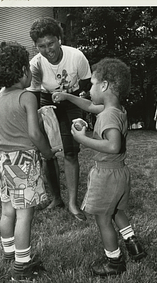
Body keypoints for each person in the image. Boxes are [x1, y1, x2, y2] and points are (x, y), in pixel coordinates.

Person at [52, 58, 146, 276]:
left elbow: (113, 145)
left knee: (103, 218)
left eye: (92, 84)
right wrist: (67, 96)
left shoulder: (107, 115)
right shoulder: (116, 109)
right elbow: (89, 105)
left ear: (103, 86)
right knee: (117, 211)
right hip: (120, 172)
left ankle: (114, 262)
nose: (89, 89)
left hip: (107, 174)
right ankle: (133, 243)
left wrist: (81, 138)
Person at [0, 41, 61, 281]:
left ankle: (9, 253)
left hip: (1, 161)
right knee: (24, 214)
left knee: (7, 210)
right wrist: (48, 152)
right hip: (22, 162)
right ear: (22, 70)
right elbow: (34, 133)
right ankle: (23, 266)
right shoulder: (26, 97)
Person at [28, 17, 91, 221]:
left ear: (59, 39)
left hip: (72, 100)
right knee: (49, 152)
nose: (48, 50)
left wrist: (77, 102)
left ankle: (73, 203)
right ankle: (56, 198)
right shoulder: (35, 64)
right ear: (36, 46)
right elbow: (34, 95)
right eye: (41, 46)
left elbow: (86, 88)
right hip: (47, 100)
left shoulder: (77, 57)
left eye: (51, 43)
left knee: (71, 152)